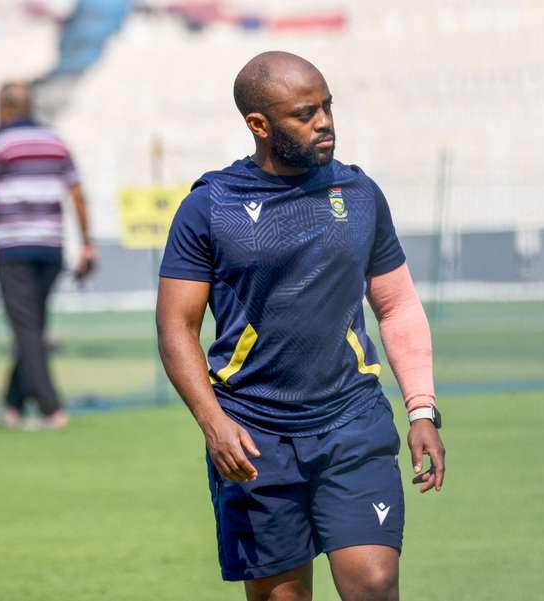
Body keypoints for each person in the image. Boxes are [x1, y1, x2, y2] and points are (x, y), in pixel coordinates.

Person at [156, 51, 446, 601]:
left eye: (328, 106)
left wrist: (422, 409)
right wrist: (213, 424)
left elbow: (398, 306)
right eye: (305, 113)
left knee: (375, 585)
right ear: (259, 125)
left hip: (351, 422)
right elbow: (176, 327)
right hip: (253, 436)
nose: (325, 122)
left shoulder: (360, 196)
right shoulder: (208, 207)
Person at [0, 81, 96, 430]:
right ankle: (12, 404)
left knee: (26, 329)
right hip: (51, 247)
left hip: (14, 248)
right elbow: (77, 194)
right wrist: (87, 243)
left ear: (2, 108)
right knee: (32, 326)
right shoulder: (56, 142)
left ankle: (51, 408)